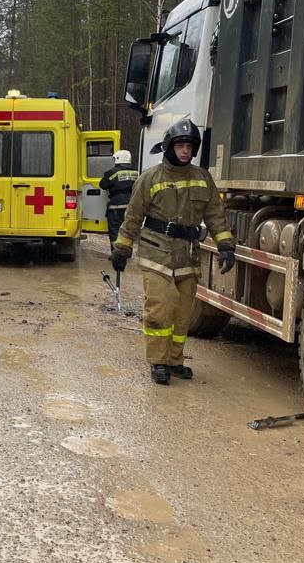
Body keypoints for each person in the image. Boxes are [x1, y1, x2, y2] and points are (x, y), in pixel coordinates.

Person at [110, 118, 236, 385]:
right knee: (161, 306)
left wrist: (225, 246)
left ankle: (175, 360)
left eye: (190, 146)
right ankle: (158, 361)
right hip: (156, 251)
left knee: (182, 312)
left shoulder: (203, 179)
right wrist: (122, 248)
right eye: (180, 145)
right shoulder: (150, 178)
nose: (185, 151)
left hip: (187, 254)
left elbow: (215, 215)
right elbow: (132, 217)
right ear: (169, 146)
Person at [100, 149, 138, 245]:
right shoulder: (136, 172)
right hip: (132, 204)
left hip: (116, 204)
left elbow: (103, 185)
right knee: (127, 230)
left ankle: (116, 254)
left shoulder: (112, 172)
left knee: (114, 229)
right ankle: (126, 251)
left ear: (117, 159)